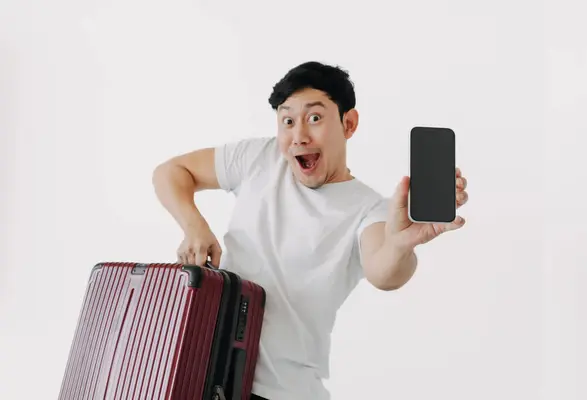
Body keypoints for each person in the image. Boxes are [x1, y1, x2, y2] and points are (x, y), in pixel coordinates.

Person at [152, 61, 469, 400]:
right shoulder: (260, 157)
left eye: (315, 118)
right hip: (207, 380)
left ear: (349, 123)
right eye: (288, 121)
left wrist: (400, 243)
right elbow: (171, 172)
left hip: (282, 393)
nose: (299, 135)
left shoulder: (370, 209)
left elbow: (384, 272)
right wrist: (194, 226)